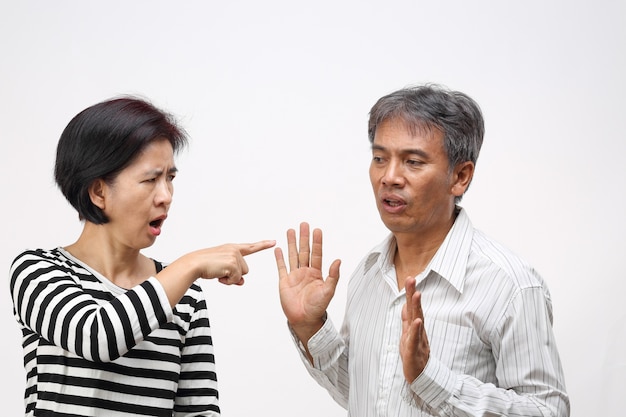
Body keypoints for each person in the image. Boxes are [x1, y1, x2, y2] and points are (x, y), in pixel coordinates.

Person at [274, 84, 570, 416]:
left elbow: (548, 411)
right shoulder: (368, 273)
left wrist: (431, 378)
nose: (389, 177)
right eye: (379, 158)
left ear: (460, 176)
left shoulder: (509, 284)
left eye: (412, 161)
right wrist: (310, 327)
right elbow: (363, 393)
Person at [9, 97, 275, 416]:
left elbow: (199, 411)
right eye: (150, 180)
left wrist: (184, 272)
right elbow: (98, 337)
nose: (166, 197)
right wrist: (190, 264)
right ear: (98, 192)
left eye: (170, 179)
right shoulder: (38, 270)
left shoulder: (185, 296)